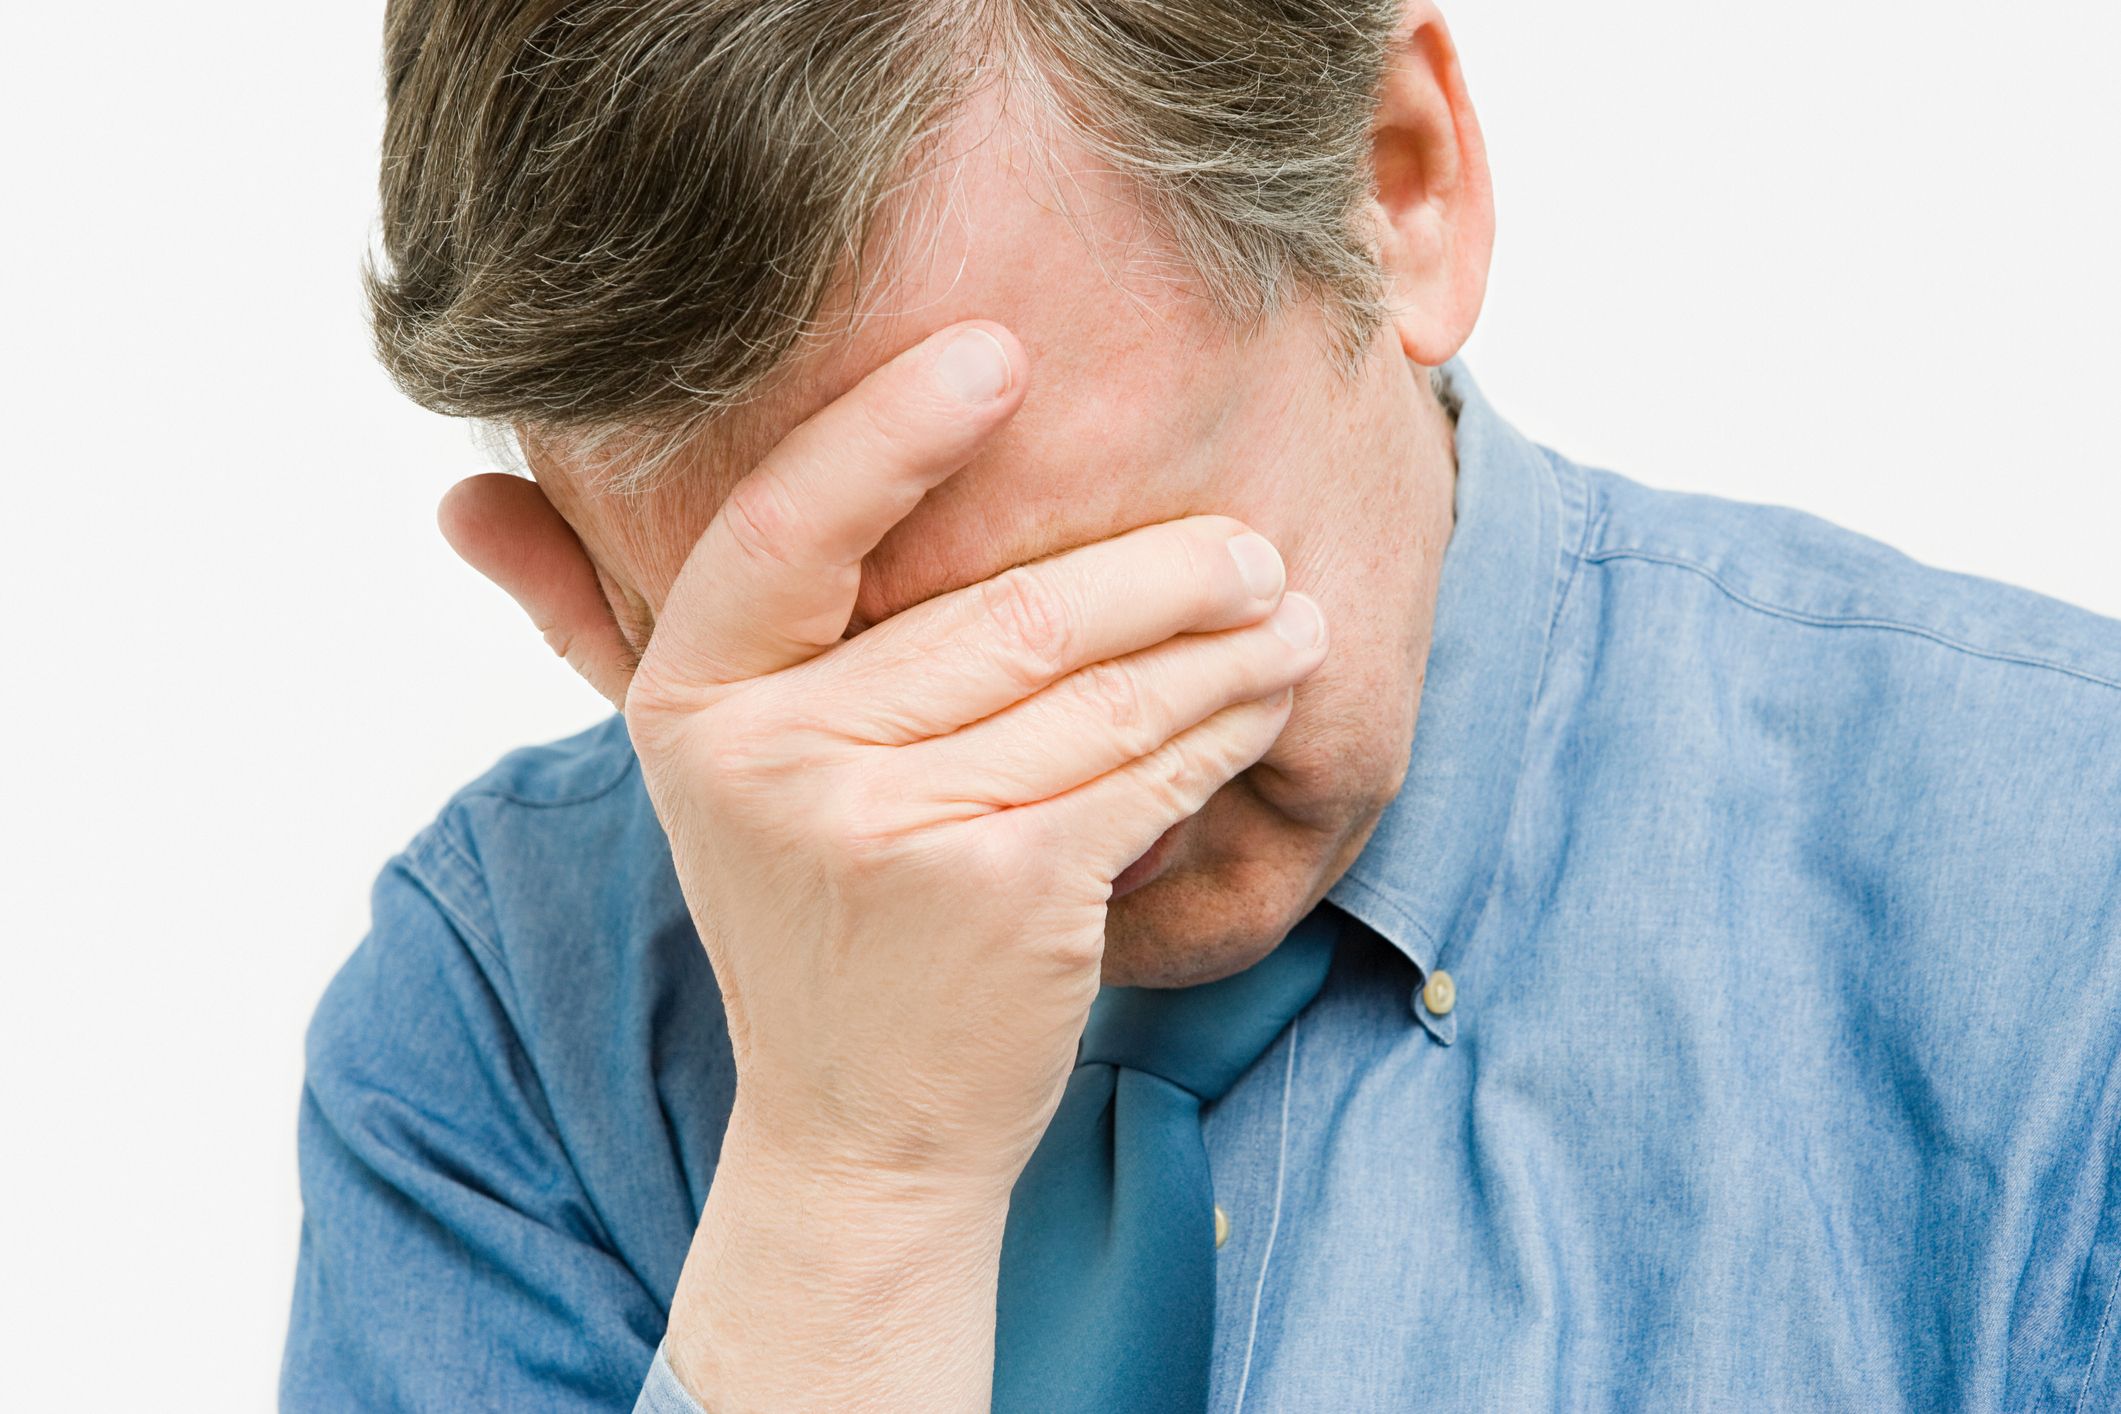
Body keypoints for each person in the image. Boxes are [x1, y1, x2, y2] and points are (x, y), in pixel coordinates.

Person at [280, 1, 2121, 1409]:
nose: (1026, 814)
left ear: (1399, 187)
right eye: (820, 676)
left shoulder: (2061, 925)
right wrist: (853, 1180)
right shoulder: (500, 1013)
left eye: (1078, 610)